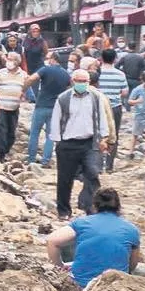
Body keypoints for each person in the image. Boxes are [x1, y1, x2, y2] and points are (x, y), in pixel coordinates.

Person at [50, 68, 113, 219]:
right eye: (78, 81)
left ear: (89, 82)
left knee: (92, 173)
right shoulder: (63, 98)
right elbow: (56, 120)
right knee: (65, 179)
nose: (81, 84)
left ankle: (92, 209)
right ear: (73, 81)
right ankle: (63, 210)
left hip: (89, 143)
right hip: (68, 143)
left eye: (84, 81)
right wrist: (57, 141)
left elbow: (100, 118)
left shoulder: (95, 97)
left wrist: (104, 137)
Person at [45, 188, 142, 286]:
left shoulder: (82, 223)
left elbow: (52, 241)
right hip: (115, 286)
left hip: (81, 284)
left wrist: (59, 267)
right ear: (119, 206)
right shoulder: (131, 229)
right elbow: (132, 265)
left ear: (94, 206)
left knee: (73, 246)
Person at [26, 50, 72, 167]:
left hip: (41, 105)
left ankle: (31, 159)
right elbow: (69, 89)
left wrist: (24, 88)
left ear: (52, 59)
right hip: (56, 107)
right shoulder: (66, 74)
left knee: (34, 133)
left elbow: (32, 79)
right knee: (50, 136)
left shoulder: (45, 69)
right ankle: (45, 160)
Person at [0, 52, 29, 161]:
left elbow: (26, 87)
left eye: (12, 59)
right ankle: (0, 154)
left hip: (14, 108)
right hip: (1, 106)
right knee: (1, 131)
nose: (9, 61)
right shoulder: (1, 73)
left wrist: (23, 94)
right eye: (8, 59)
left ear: (17, 62)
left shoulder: (23, 75)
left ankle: (6, 150)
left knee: (11, 132)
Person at [96, 48, 129, 170]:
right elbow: (125, 92)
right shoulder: (120, 74)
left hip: (98, 106)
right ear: (115, 59)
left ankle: (98, 163)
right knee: (113, 135)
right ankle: (109, 165)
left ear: (101, 58)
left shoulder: (98, 73)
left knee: (97, 133)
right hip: (115, 107)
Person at [127, 71, 145, 159]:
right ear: (142, 80)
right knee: (135, 134)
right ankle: (130, 152)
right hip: (139, 114)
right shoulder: (137, 89)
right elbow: (129, 101)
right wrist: (137, 101)